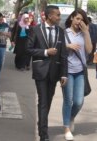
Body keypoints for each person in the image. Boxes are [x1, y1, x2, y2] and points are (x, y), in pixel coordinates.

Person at [26, 5, 68, 141]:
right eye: (57, 15)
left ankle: (41, 123)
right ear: (50, 16)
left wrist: (64, 74)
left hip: (54, 72)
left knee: (48, 101)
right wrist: (45, 52)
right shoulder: (36, 29)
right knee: (43, 101)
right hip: (41, 71)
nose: (59, 17)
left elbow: (63, 54)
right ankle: (43, 134)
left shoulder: (61, 31)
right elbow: (28, 49)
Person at [61, 8, 92, 140]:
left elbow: (89, 50)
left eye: (82, 20)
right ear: (72, 18)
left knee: (79, 101)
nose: (79, 22)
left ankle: (71, 117)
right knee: (68, 100)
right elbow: (56, 49)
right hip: (67, 71)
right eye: (77, 18)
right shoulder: (64, 33)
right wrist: (68, 46)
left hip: (80, 71)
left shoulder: (84, 34)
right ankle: (66, 127)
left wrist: (86, 32)